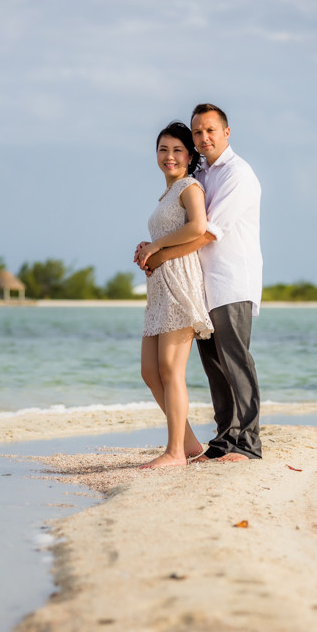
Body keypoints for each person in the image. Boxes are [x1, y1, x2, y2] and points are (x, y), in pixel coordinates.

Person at [141, 104, 263, 461]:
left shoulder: (237, 174)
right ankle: (225, 439)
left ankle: (249, 444)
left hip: (231, 279)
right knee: (214, 366)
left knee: (235, 361)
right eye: (198, 132)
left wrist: (160, 254)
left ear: (226, 132)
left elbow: (208, 232)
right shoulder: (204, 173)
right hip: (201, 283)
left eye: (210, 130)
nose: (204, 137)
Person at [134, 121, 214, 469]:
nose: (169, 156)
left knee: (170, 369)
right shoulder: (166, 194)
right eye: (163, 149)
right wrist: (147, 249)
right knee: (150, 372)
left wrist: (157, 245)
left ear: (190, 154)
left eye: (177, 149)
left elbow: (198, 227)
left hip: (181, 283)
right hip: (159, 288)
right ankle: (191, 443)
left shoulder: (189, 187)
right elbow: (172, 232)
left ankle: (174, 453)